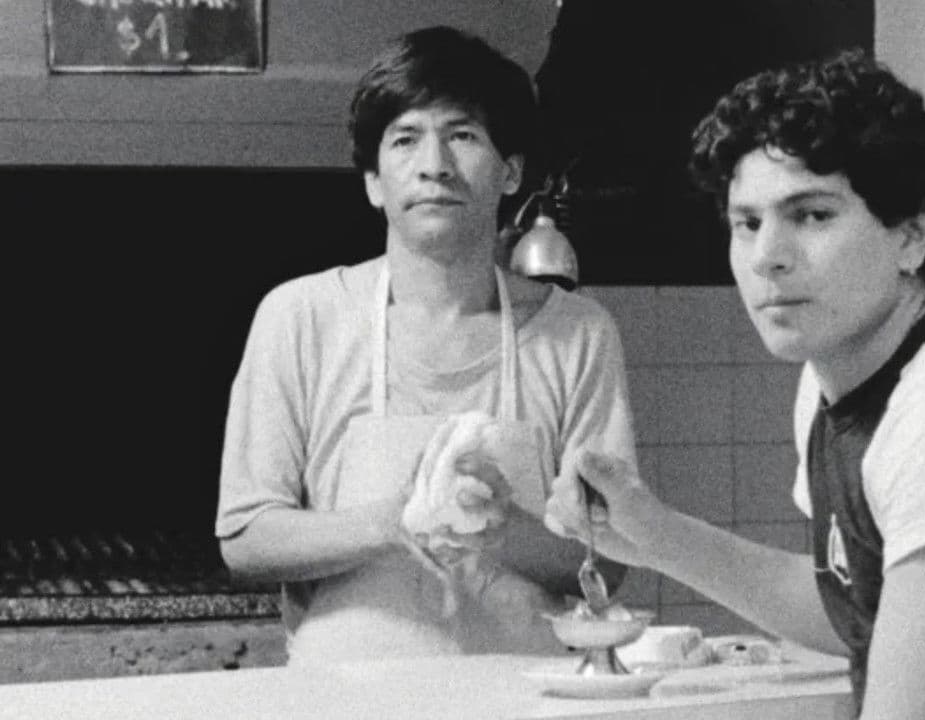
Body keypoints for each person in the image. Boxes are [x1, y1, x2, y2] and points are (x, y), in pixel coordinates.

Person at [545, 49, 925, 719]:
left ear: (914, 235)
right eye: (747, 223)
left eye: (812, 215)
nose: (767, 256)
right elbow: (854, 612)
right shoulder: (827, 386)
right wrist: (654, 532)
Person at [216, 26, 635, 665]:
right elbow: (246, 537)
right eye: (405, 138)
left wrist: (504, 530)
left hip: (527, 698)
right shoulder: (300, 318)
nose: (434, 164)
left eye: (462, 135)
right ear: (374, 181)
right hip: (344, 700)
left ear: (511, 171)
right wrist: (393, 521)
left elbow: (610, 557)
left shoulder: (578, 333)